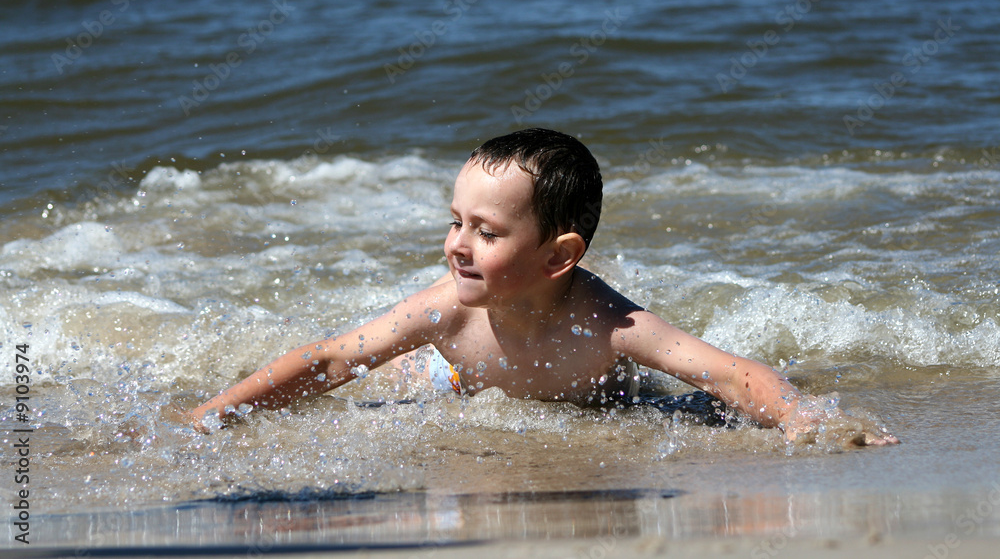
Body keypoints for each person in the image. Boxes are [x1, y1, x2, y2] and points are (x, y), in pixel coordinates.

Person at [190, 128, 897, 446]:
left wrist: (808, 418)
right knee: (407, 378)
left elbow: (729, 374)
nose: (456, 245)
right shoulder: (444, 309)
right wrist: (216, 413)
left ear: (559, 256)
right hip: (454, 380)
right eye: (455, 221)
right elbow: (333, 359)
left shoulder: (606, 321)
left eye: (487, 232)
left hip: (602, 397)